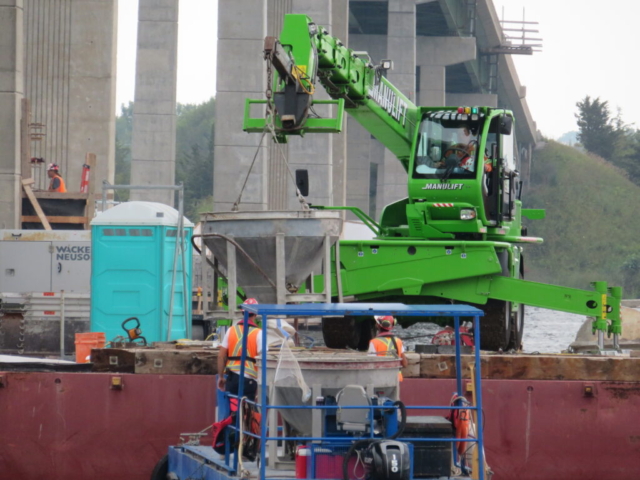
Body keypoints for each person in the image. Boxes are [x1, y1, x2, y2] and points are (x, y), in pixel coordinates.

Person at [217, 298, 263, 406]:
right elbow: (263, 360)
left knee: (233, 411)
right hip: (249, 380)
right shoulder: (259, 333)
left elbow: (221, 356)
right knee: (248, 413)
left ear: (242, 312)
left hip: (232, 379)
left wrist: (221, 377)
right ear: (255, 314)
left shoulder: (231, 330)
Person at [368, 316, 408, 380]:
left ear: (378, 325)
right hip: (396, 378)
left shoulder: (374, 342)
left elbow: (370, 364)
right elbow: (405, 364)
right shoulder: (398, 341)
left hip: (380, 379)